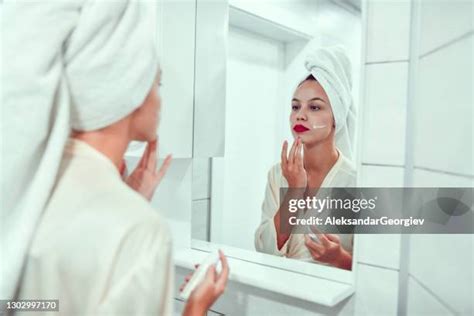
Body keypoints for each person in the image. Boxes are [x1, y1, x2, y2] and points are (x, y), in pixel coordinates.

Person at [2, 1, 228, 315]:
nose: (161, 99)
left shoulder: (23, 193)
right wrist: (196, 307)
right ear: (128, 87)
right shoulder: (141, 231)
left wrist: (129, 201)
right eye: (156, 82)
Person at [254, 46, 357, 270]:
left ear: (335, 118)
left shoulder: (356, 182)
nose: (300, 114)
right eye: (295, 106)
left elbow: (377, 272)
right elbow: (264, 248)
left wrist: (339, 258)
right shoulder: (278, 174)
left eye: (315, 107)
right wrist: (294, 190)